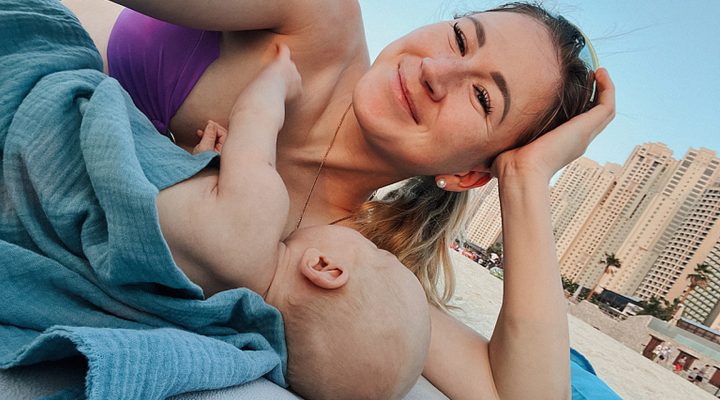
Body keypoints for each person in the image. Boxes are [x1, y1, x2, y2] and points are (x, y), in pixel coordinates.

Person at [65, 0, 617, 398]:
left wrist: (525, 178)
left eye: (482, 97)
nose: (436, 70)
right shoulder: (315, 17)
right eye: (459, 37)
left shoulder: (347, 262)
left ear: (469, 175)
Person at [159, 44, 431, 399]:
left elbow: (253, 114)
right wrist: (206, 172)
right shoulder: (219, 315)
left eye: (377, 252)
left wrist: (279, 77)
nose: (368, 240)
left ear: (324, 267)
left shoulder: (264, 211)